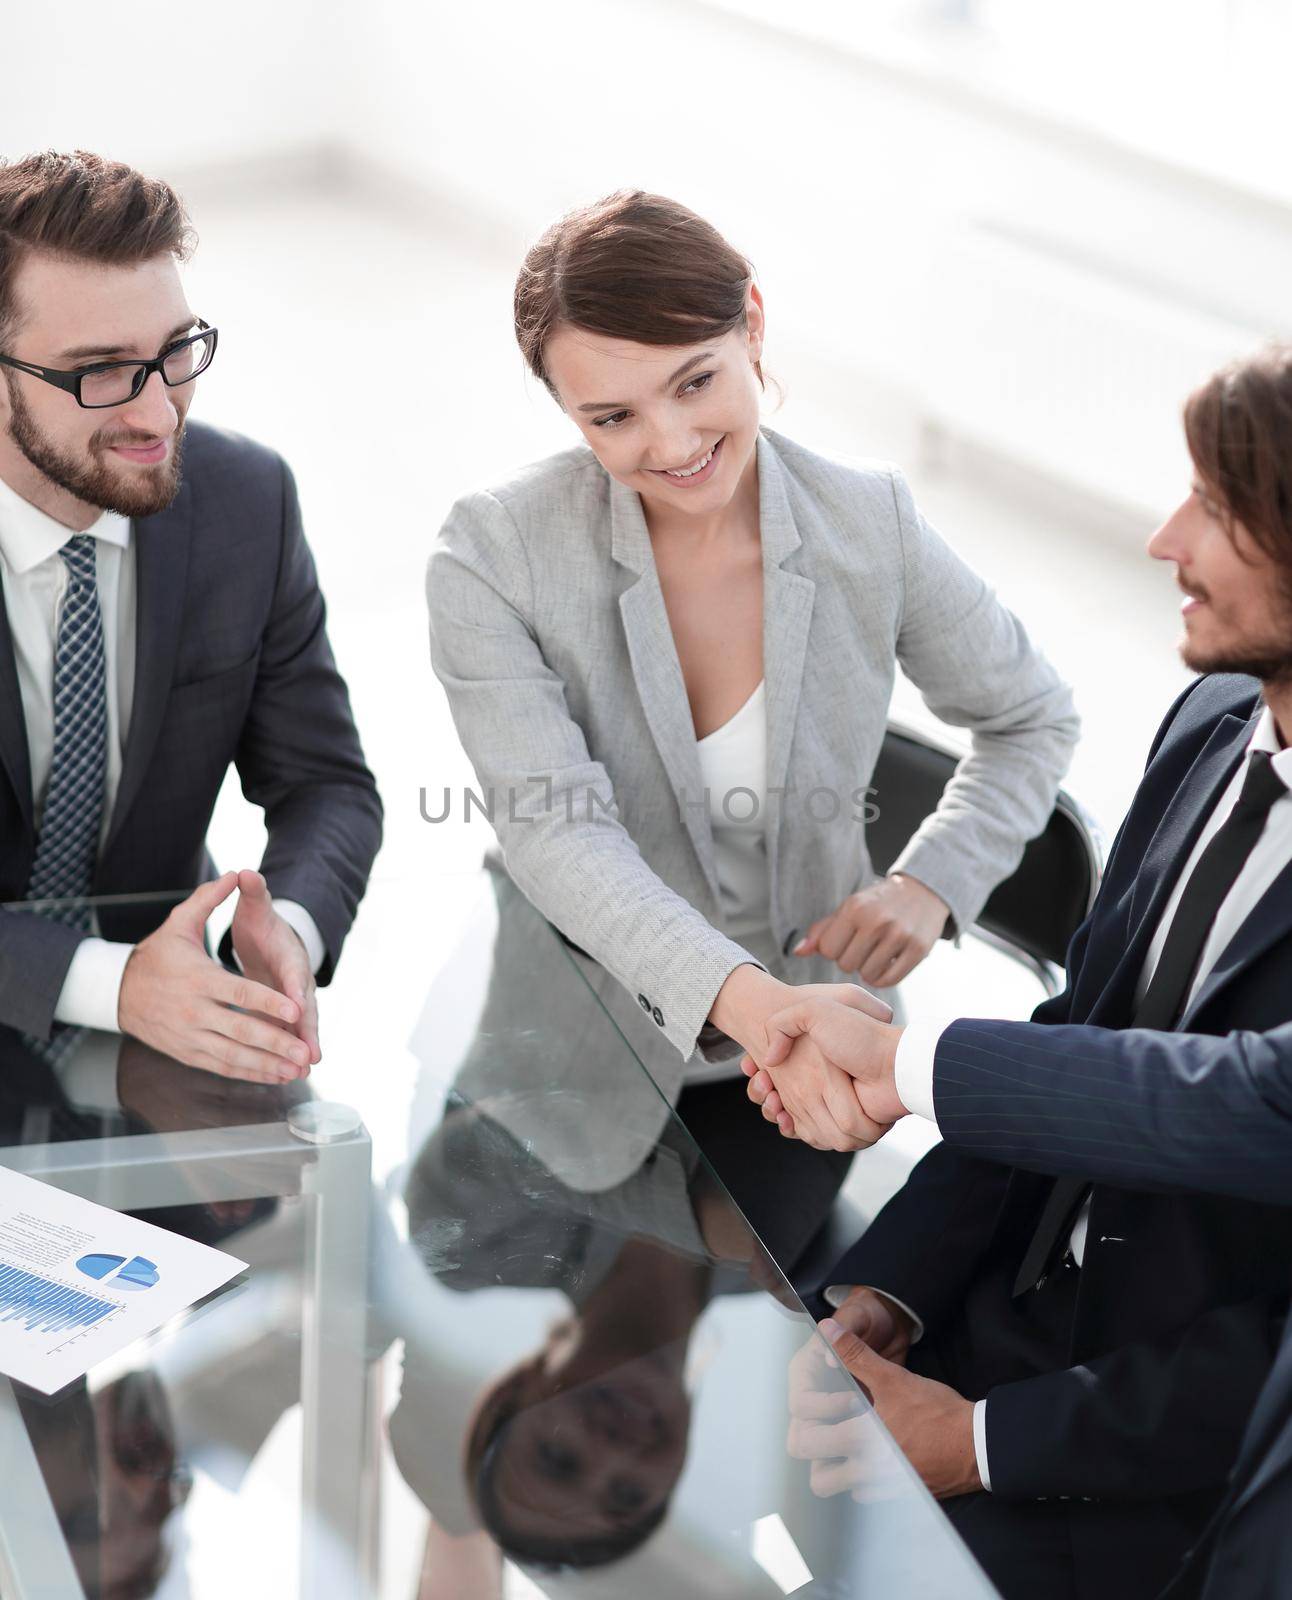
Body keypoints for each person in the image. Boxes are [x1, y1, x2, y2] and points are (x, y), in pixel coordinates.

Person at [743, 344, 1292, 1599]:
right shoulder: (1211, 721)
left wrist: (978, 1443)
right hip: (997, 1332)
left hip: (1169, 1474)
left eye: (1215, 508)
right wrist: (892, 1288)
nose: (1162, 541)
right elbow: (1080, 1037)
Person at [427, 188, 1078, 1217]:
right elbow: (561, 840)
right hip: (570, 1060)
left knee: (751, 1338)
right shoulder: (494, 556)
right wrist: (750, 1001)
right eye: (612, 416)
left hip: (801, 1072)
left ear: (753, 327)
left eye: (695, 381)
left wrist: (931, 881)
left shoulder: (869, 524)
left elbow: (1030, 716)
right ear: (565, 415)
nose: (672, 440)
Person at [0, 150, 381, 1078]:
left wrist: (285, 927)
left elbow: (326, 784)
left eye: (176, 352)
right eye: (101, 372)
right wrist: (112, 984)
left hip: (171, 1034)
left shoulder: (247, 500)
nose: (160, 411)